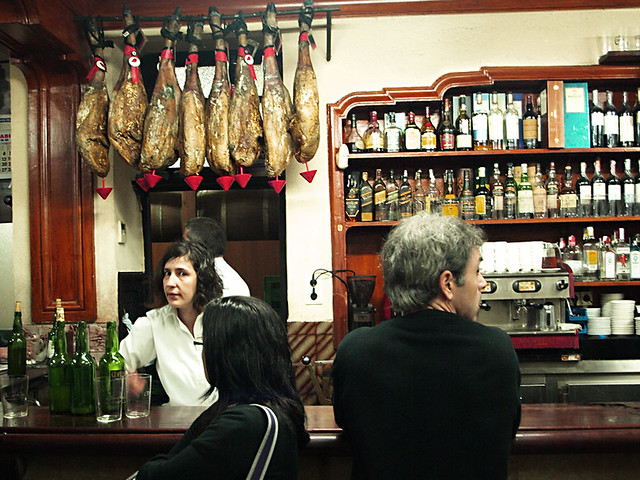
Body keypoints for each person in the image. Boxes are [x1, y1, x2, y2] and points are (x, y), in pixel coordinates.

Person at [331, 213, 521, 480]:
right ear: (447, 284)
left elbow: (347, 424)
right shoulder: (496, 349)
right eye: (477, 270)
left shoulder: (356, 350)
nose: (483, 283)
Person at [133, 296, 310, 480]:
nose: (203, 354)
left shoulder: (243, 423)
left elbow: (157, 475)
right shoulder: (275, 410)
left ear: (229, 356)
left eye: (205, 345)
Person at [120, 241, 222, 406]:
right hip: (179, 425)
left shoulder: (223, 319)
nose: (170, 282)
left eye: (182, 273)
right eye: (167, 273)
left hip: (224, 422)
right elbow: (118, 362)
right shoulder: (154, 324)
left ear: (202, 278)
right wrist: (129, 377)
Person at [183, 217, 250, 297]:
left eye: (185, 243)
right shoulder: (235, 280)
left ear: (198, 246)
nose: (181, 248)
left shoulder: (207, 279)